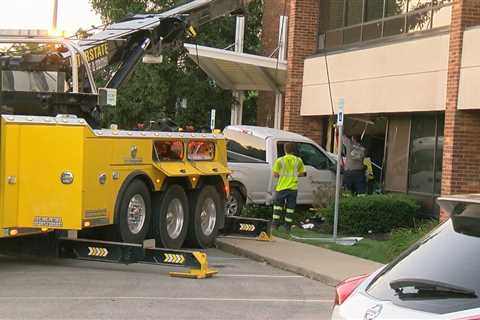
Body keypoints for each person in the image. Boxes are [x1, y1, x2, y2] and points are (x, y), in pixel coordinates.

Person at [272, 143, 306, 232]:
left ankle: (275, 225)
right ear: (293, 150)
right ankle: (287, 227)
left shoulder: (280, 160)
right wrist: (294, 175)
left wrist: (282, 175)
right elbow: (303, 173)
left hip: (281, 187)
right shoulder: (298, 161)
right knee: (290, 208)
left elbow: (275, 174)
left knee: (278, 207)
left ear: (285, 150)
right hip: (293, 188)